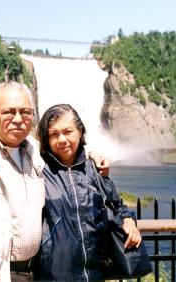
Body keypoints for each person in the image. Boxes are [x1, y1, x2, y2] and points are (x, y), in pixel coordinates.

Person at [0, 82, 109, 282]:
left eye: (25, 112)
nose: (18, 119)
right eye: (9, 112)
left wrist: (93, 157)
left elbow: (68, 152)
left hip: (33, 272)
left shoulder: (35, 151)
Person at [33, 104, 142, 281]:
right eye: (54, 134)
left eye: (68, 131)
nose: (61, 139)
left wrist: (129, 220)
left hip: (94, 275)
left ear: (80, 131)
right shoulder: (37, 169)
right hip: (52, 275)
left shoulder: (94, 170)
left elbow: (116, 207)